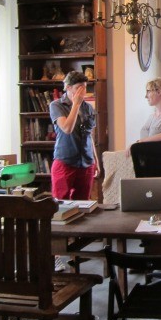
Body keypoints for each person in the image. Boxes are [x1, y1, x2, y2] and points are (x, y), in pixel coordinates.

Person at [49, 71, 100, 273]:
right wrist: (76, 104)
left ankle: (74, 253)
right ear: (68, 88)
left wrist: (95, 159)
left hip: (85, 162)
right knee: (59, 210)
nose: (83, 92)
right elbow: (67, 128)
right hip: (65, 161)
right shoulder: (57, 106)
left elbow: (89, 135)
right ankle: (54, 255)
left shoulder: (89, 108)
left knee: (80, 208)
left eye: (85, 88)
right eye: (78, 88)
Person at [128, 78, 161, 152]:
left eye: (148, 91)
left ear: (159, 92)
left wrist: (140, 141)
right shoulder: (151, 117)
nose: (146, 96)